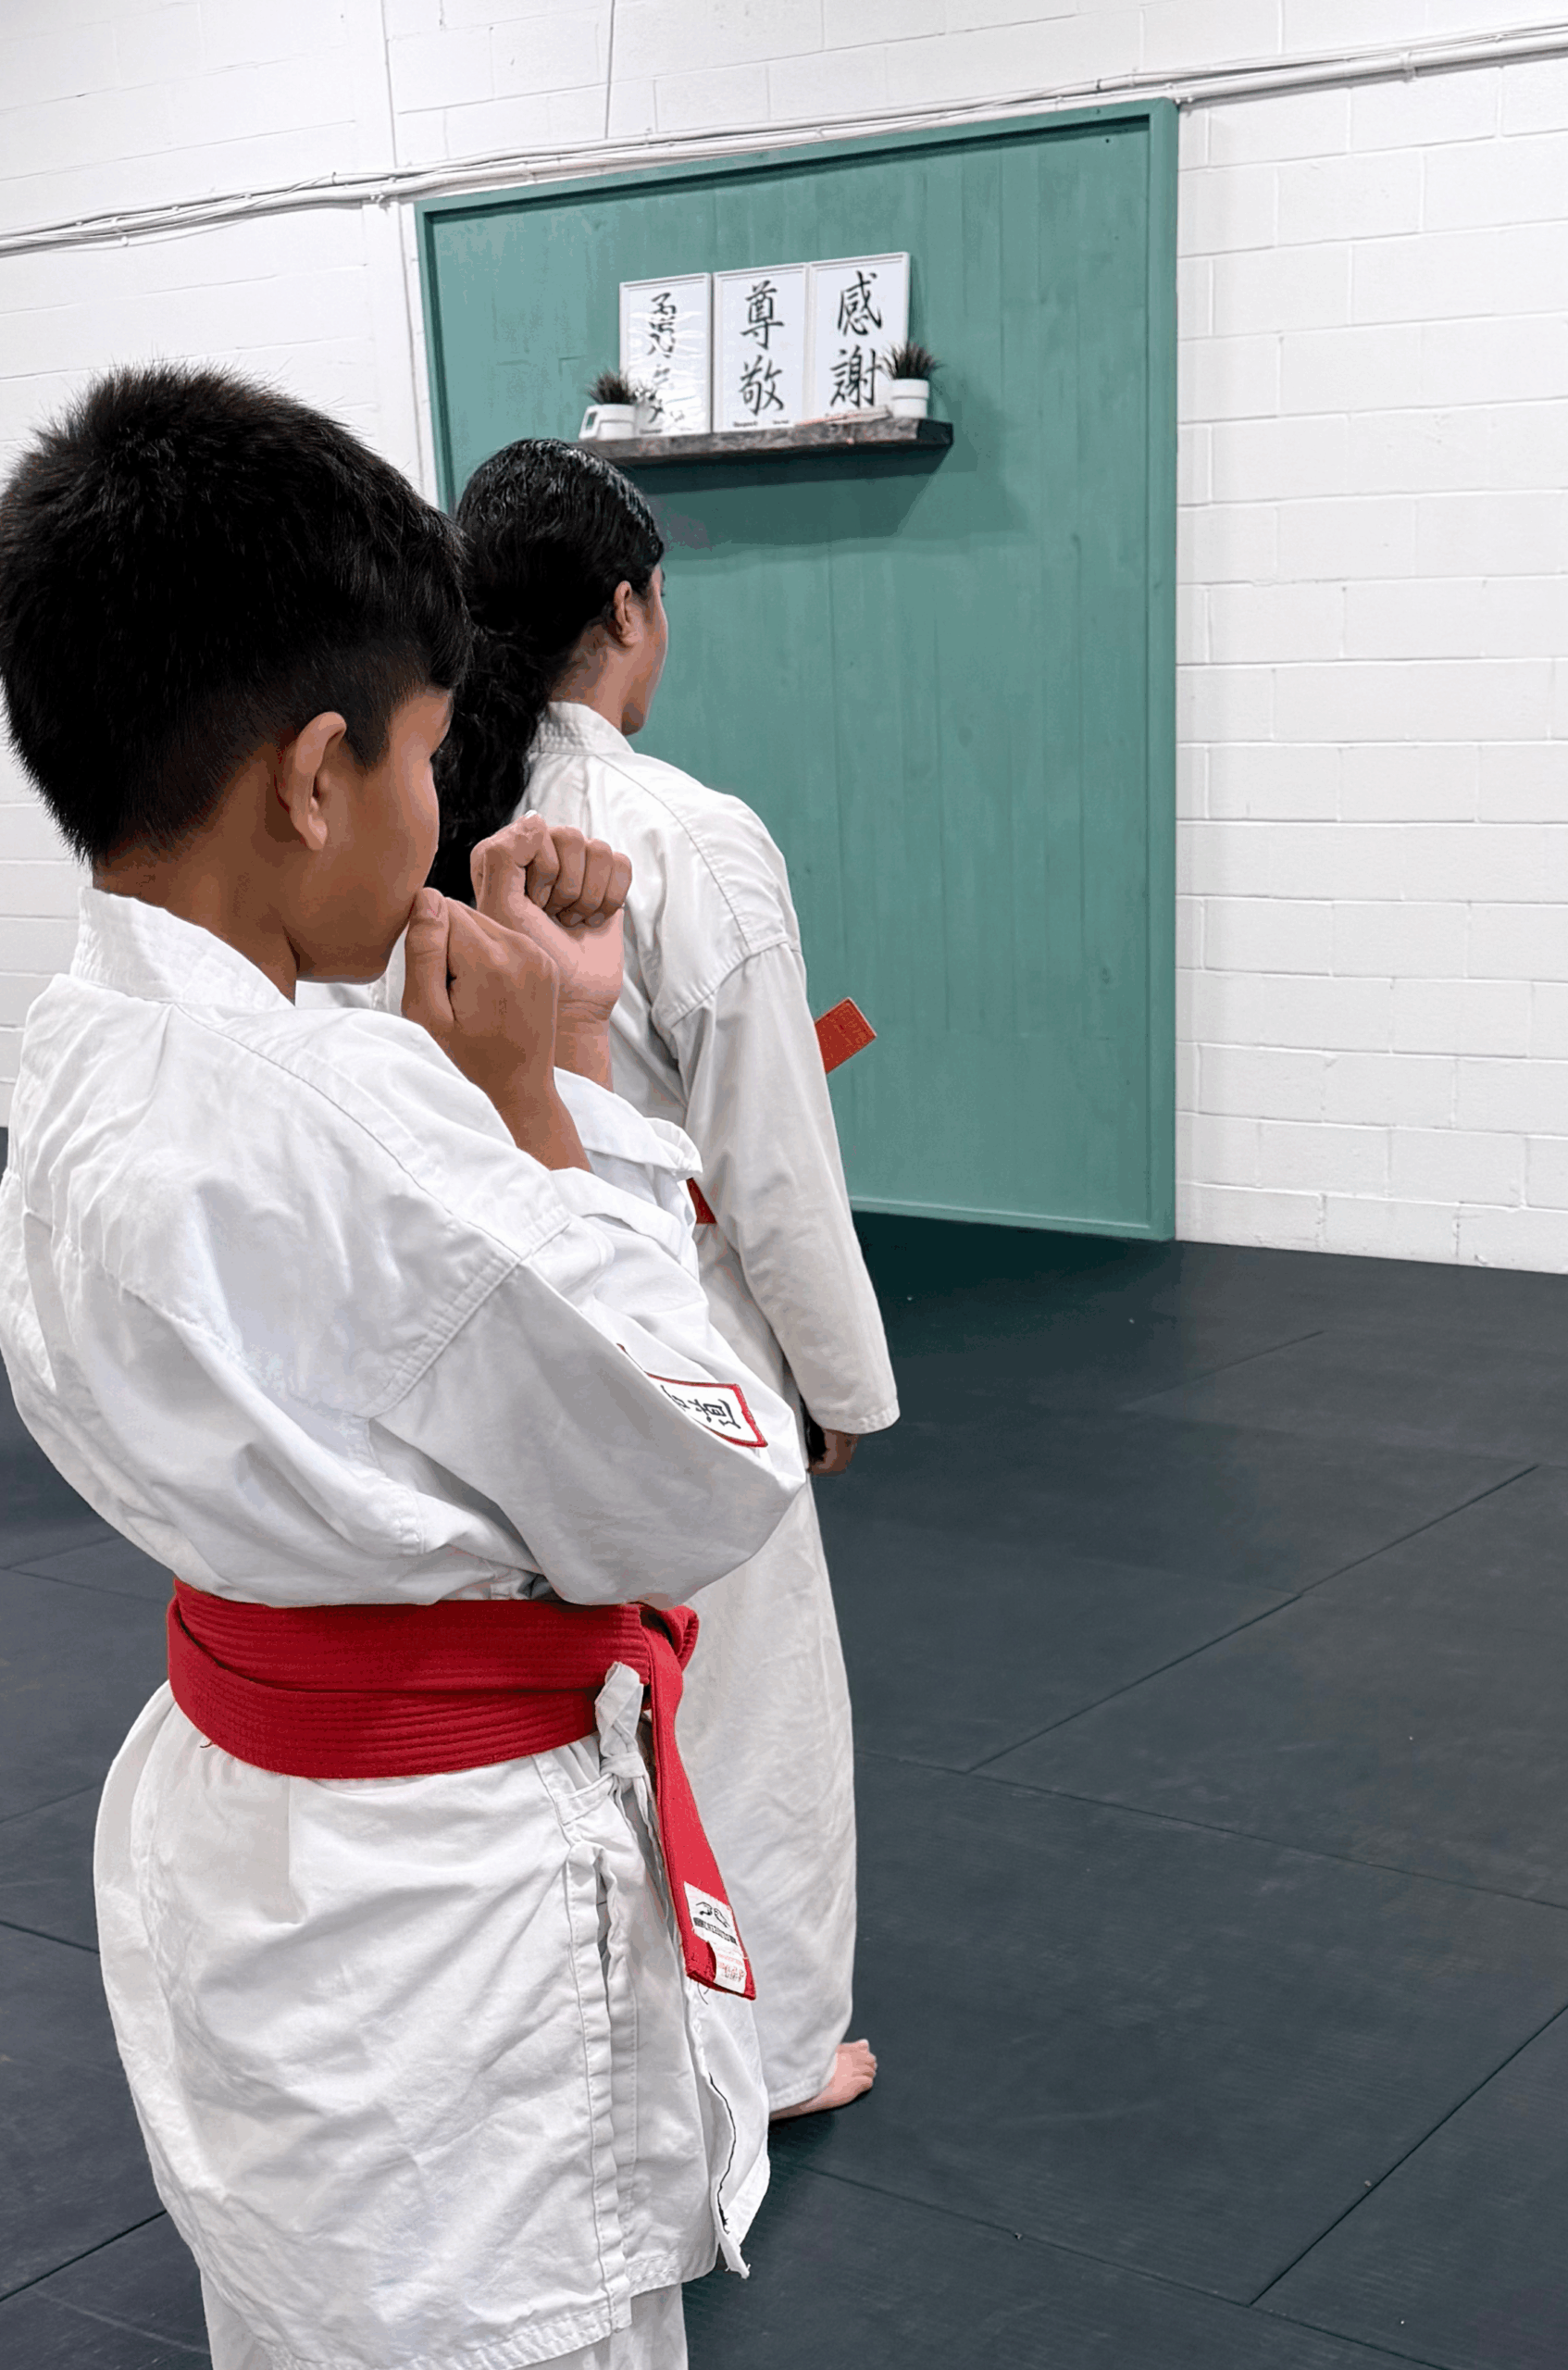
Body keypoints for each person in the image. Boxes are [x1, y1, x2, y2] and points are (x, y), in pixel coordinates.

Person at [0, 365, 820, 2370]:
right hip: (443, 1922)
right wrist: (545, 1088)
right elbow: (704, 1467)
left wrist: (462, 1060)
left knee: (304, 2317)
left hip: (250, 1851)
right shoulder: (367, 1146)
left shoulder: (77, 1043)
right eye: (431, 762)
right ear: (310, 779)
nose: (441, 819)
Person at [430, 437, 897, 2121]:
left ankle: (563, 2040)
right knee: (745, 1699)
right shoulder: (682, 831)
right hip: (667, 1314)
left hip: (472, 1333)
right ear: (628, 610)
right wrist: (838, 1392)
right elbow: (772, 1163)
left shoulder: (431, 812)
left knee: (538, 1704)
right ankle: (767, 2057)